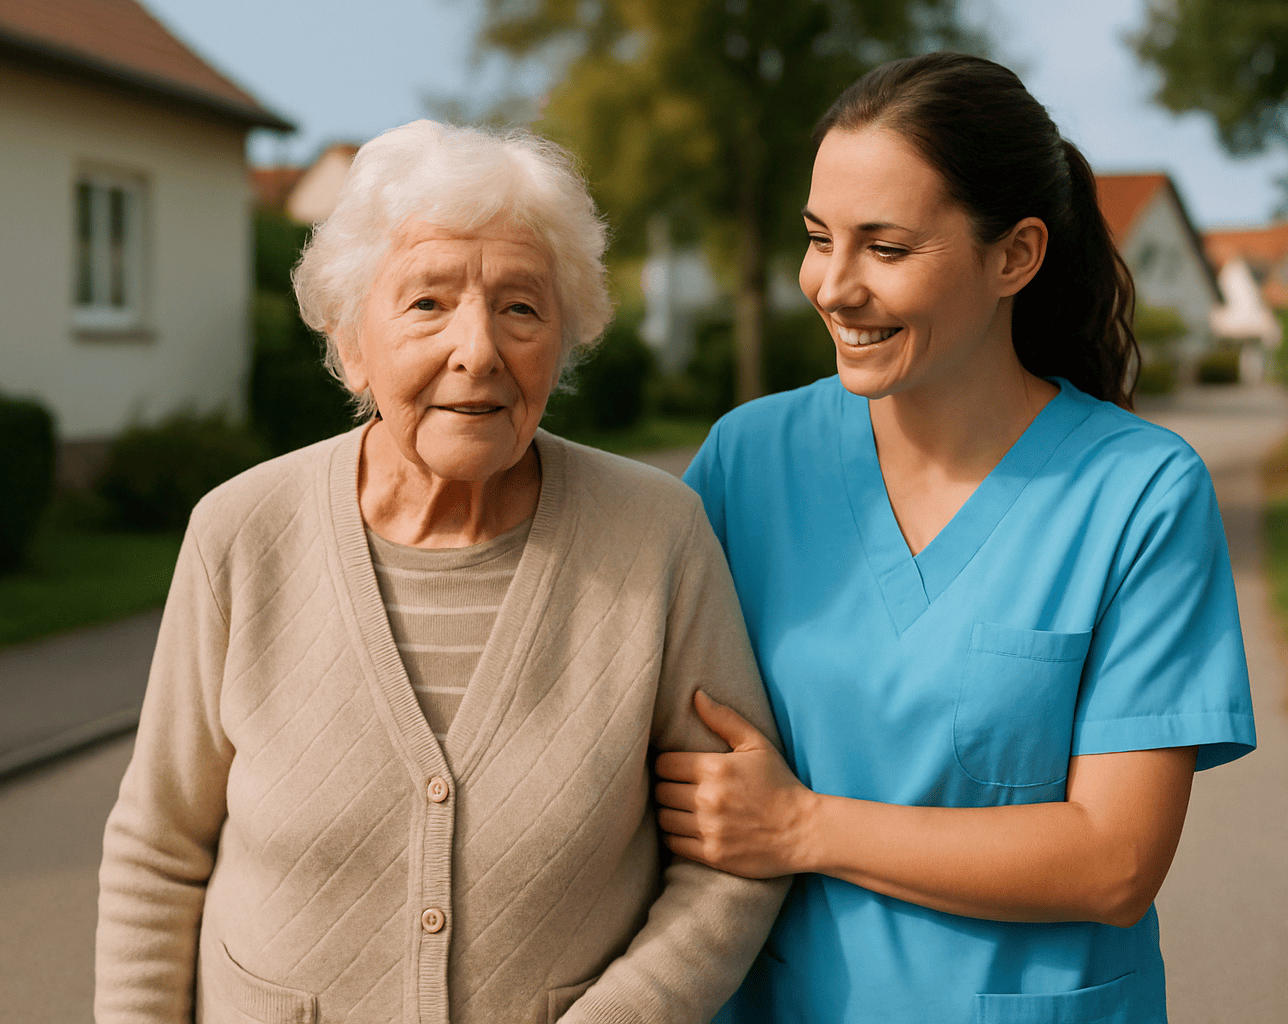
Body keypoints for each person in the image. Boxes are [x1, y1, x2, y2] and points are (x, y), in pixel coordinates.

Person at [94, 120, 786, 1024]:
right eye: (428, 303)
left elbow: (733, 858)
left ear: (565, 339)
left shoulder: (658, 538)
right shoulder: (241, 533)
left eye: (522, 308)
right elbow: (157, 850)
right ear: (352, 344)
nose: (479, 349)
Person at [654, 53, 1256, 1023]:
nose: (832, 286)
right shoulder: (746, 461)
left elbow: (1116, 861)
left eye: (885, 249)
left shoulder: (1139, 492)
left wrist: (803, 826)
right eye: (818, 239)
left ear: (1014, 256)